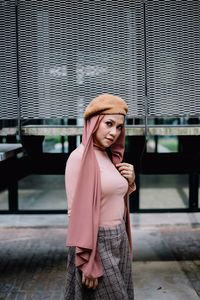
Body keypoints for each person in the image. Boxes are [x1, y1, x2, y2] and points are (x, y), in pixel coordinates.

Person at [64, 93, 136, 300]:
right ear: (94, 122)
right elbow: (74, 213)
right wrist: (88, 260)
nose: (114, 132)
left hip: (118, 237)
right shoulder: (79, 158)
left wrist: (130, 181)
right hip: (95, 242)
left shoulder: (109, 155)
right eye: (109, 124)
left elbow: (112, 196)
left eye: (119, 127)